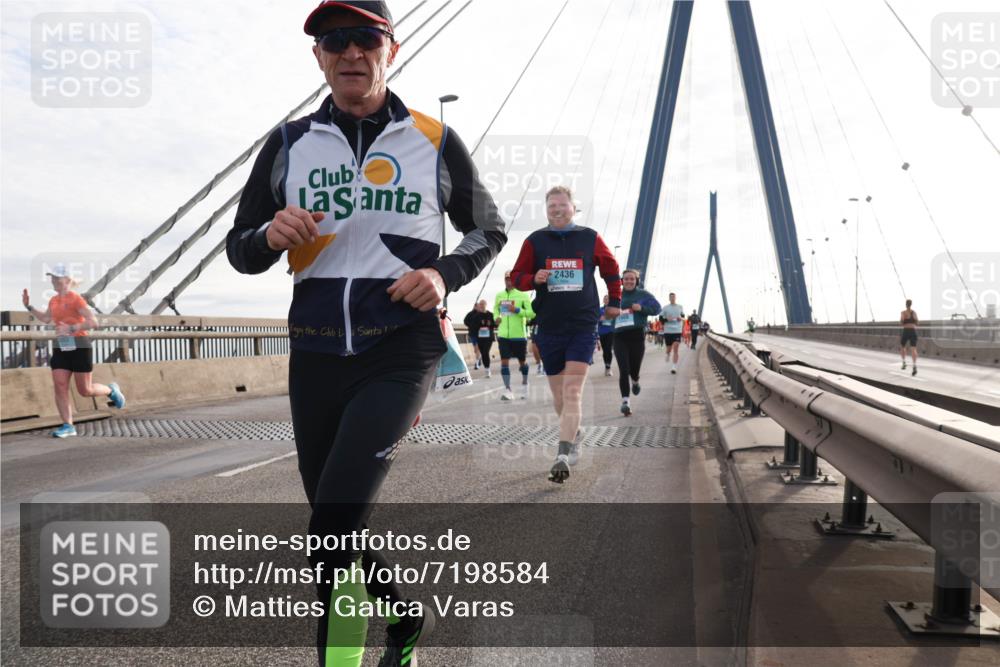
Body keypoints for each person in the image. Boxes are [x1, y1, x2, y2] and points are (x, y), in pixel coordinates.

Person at [226, 3, 506, 665]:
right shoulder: (289, 144)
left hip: (399, 348)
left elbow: (488, 229)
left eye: (365, 38)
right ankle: (405, 617)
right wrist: (269, 235)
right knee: (333, 526)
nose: (351, 52)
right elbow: (240, 249)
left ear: (392, 49)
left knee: (331, 523)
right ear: (318, 57)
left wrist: (443, 272)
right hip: (316, 352)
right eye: (334, 41)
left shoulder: (434, 139)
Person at [510, 185, 621, 483]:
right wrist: (534, 278)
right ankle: (575, 431)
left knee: (572, 391)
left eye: (562, 205)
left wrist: (615, 301)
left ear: (574, 207)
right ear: (546, 211)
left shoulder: (590, 238)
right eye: (551, 207)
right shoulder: (535, 241)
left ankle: (563, 454)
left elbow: (611, 268)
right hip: (549, 328)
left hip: (583, 325)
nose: (557, 210)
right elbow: (516, 277)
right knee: (559, 396)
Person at [21, 264, 126, 437]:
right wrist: (29, 307)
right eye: (52, 277)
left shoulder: (76, 299)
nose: (53, 281)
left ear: (67, 280)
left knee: (85, 391)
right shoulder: (53, 300)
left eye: (56, 278)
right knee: (60, 386)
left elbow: (93, 322)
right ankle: (68, 425)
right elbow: (47, 318)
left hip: (80, 345)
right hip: (62, 346)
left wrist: (71, 328)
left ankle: (111, 390)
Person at [612, 269, 661, 416]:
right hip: (619, 336)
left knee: (634, 370)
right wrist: (610, 313)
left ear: (637, 281)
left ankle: (635, 380)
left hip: (637, 336)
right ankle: (625, 402)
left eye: (632, 279)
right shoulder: (616, 295)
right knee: (623, 370)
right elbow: (607, 311)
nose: (629, 281)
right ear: (622, 281)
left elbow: (657, 308)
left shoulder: (643, 295)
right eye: (626, 279)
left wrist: (642, 308)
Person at [494, 271, 534, 400]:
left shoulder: (523, 295)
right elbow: (495, 309)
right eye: (506, 279)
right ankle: (508, 390)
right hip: (503, 334)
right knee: (504, 362)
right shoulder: (499, 295)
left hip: (519, 335)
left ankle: (525, 384)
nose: (508, 281)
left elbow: (532, 313)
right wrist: (496, 318)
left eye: (511, 279)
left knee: (522, 362)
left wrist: (517, 310)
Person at [463, 299, 496, 377]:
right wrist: (479, 328)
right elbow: (472, 326)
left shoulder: (491, 315)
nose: (481, 306)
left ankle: (487, 370)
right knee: (483, 354)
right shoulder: (476, 316)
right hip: (480, 338)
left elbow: (495, 325)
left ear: (486, 305)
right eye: (480, 304)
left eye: (482, 304)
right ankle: (486, 368)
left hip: (488, 338)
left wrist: (493, 324)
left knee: (485, 352)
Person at [659, 293, 684, 374]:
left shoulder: (680, 307)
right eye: (671, 297)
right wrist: (666, 319)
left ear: (675, 298)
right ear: (669, 299)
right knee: (669, 348)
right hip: (668, 330)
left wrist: (681, 318)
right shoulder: (665, 308)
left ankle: (674, 367)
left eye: (674, 297)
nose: (672, 298)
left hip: (677, 330)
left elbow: (683, 316)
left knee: (676, 348)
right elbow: (660, 319)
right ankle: (668, 354)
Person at [597, 294, 615, 377]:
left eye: (608, 299)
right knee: (605, 350)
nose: (606, 300)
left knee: (608, 349)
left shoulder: (613, 309)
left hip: (611, 331)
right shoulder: (600, 310)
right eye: (605, 299)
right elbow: (595, 319)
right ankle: (606, 366)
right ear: (603, 301)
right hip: (602, 332)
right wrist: (600, 319)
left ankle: (608, 367)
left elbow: (618, 318)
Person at [900, 298, 919, 375]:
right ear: (911, 304)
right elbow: (917, 322)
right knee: (913, 349)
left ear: (906, 304)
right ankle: (914, 365)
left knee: (902, 347)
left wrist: (905, 320)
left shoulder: (903, 313)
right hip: (913, 331)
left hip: (906, 331)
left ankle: (904, 362)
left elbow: (901, 322)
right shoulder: (914, 313)